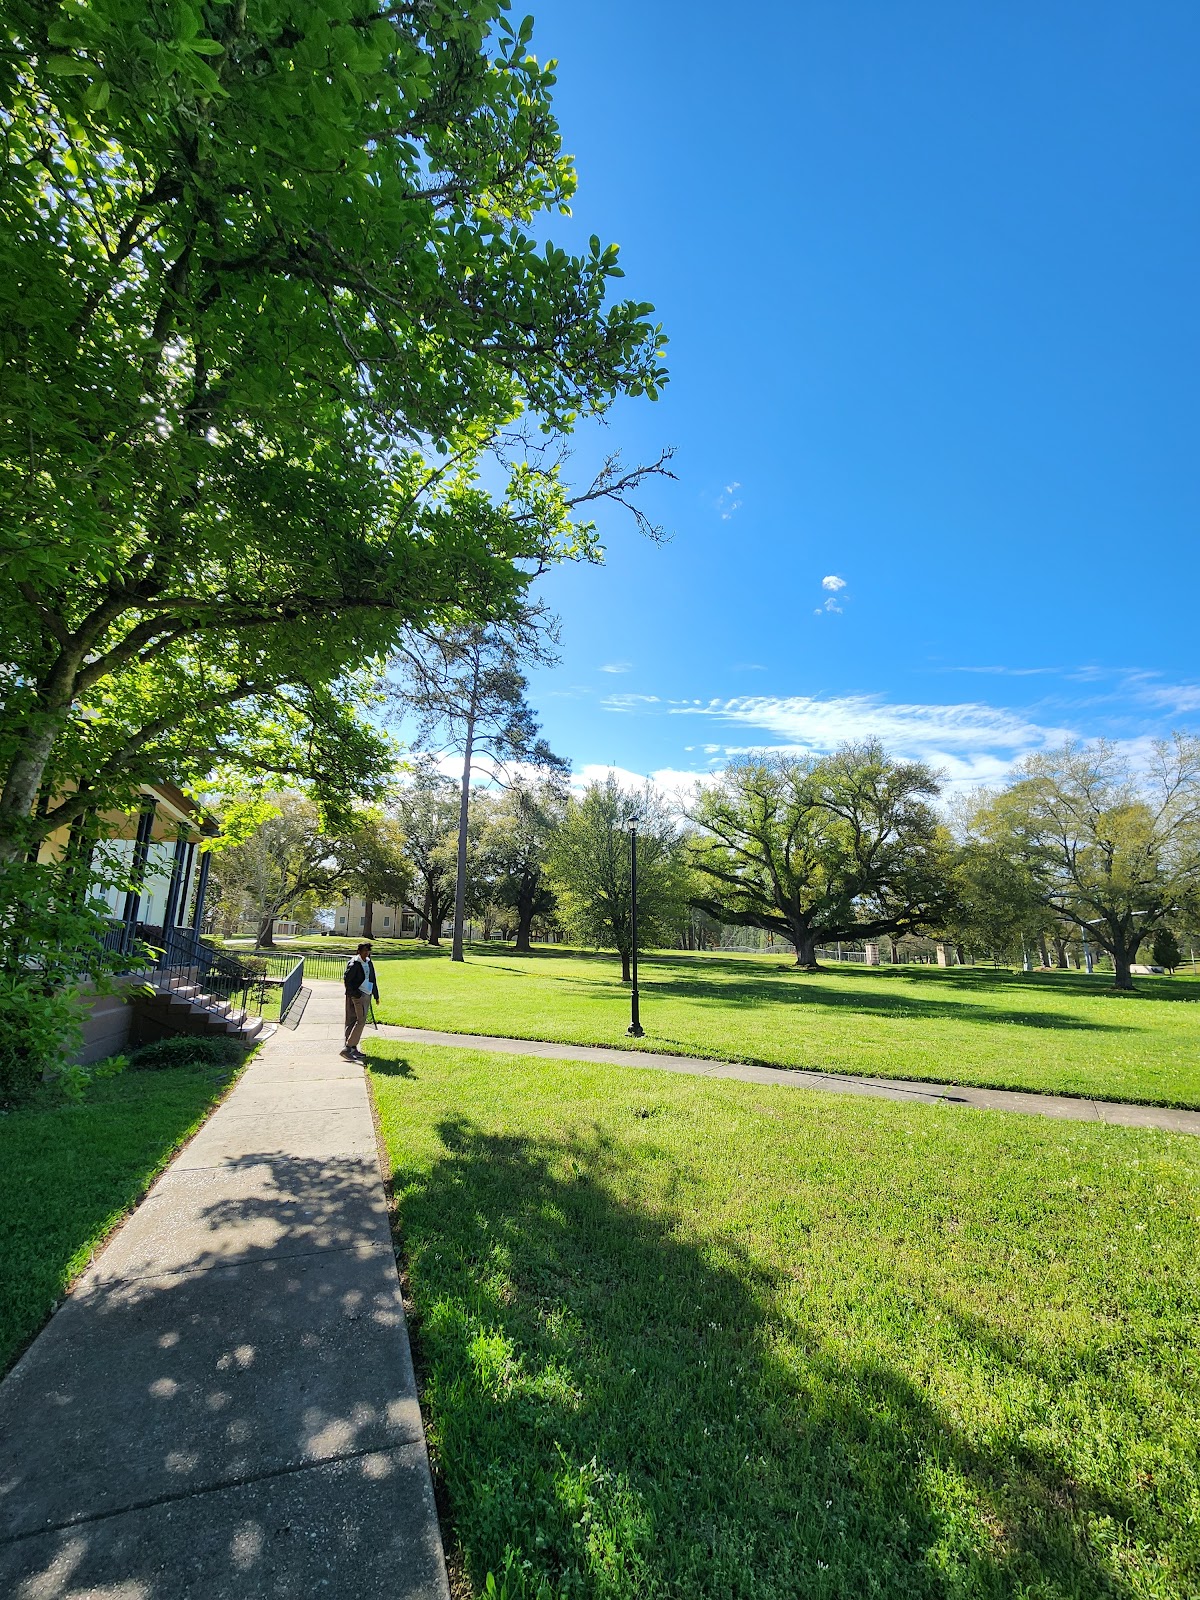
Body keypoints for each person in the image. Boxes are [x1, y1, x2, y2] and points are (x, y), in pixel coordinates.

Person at [341, 942, 379, 1062]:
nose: (366, 953)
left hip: (366, 994)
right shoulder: (354, 963)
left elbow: (372, 979)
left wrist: (376, 995)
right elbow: (347, 981)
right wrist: (355, 994)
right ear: (359, 951)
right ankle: (347, 1048)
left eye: (368, 951)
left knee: (354, 1021)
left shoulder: (368, 962)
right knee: (360, 1021)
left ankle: (352, 1048)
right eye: (364, 951)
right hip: (357, 996)